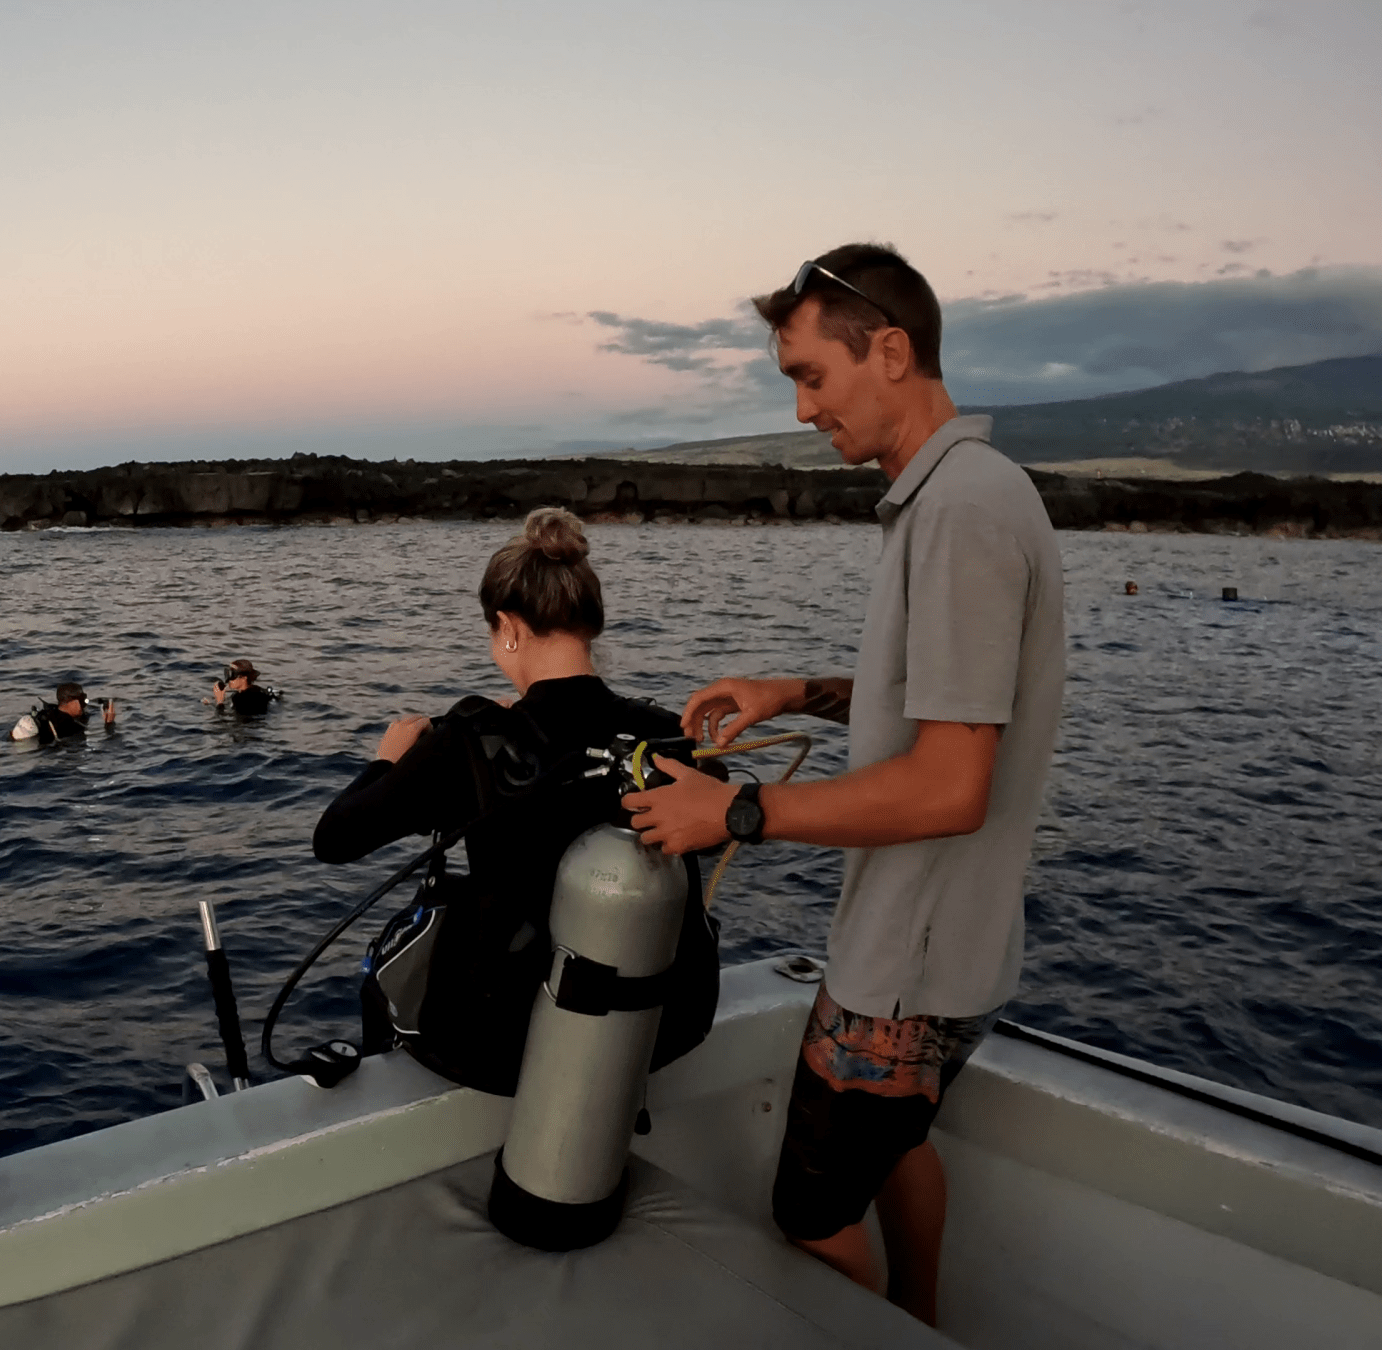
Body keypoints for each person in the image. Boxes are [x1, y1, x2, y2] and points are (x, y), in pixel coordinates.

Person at [625, 243, 1064, 1326]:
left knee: (814, 1220)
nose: (803, 410)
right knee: (900, 1148)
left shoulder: (961, 511)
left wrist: (732, 811)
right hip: (950, 949)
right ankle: (924, 1320)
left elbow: (951, 785)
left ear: (894, 352)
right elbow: (948, 694)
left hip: (903, 966)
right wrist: (796, 691)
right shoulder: (960, 493)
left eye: (810, 377)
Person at [311, 506, 712, 1092]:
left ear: (508, 627)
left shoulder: (469, 742)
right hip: (663, 1023)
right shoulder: (664, 729)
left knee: (387, 976)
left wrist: (390, 756)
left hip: (512, 1039)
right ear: (590, 624)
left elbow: (335, 839)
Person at [10, 681, 115, 742]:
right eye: (82, 701)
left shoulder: (51, 711)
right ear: (72, 702)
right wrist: (109, 724)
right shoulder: (70, 725)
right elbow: (99, 740)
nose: (84, 705)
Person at [207, 659, 276, 715]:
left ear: (244, 678)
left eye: (232, 676)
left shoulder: (242, 699)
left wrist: (219, 702)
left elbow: (223, 721)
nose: (229, 680)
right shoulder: (257, 690)